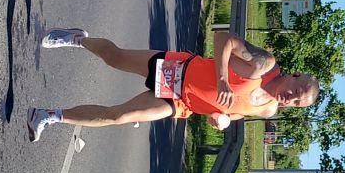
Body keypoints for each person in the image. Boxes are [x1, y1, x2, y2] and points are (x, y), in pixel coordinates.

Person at [26, 28, 319, 140]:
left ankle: (48, 116)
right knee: (114, 58)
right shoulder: (263, 65)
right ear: (294, 75)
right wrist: (221, 79)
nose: (291, 99)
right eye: (296, 91)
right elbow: (223, 38)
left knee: (119, 116)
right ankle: (76, 38)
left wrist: (224, 120)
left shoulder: (268, 110)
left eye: (296, 103)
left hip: (180, 103)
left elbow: (237, 112)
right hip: (179, 70)